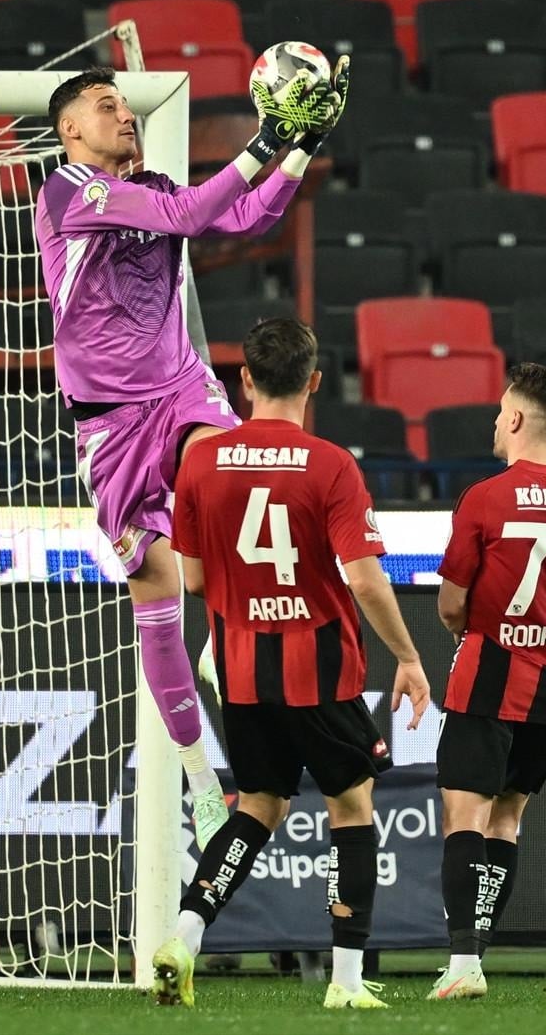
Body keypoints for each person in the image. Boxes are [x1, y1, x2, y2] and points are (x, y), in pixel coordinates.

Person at [35, 61, 349, 850]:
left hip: (179, 390)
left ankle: (227, 641)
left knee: (227, 475)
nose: (124, 115)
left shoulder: (152, 188)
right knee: (156, 587)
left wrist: (300, 148)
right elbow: (193, 210)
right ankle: (202, 783)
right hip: (109, 424)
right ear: (70, 129)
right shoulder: (68, 192)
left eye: (126, 105)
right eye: (106, 106)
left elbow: (242, 218)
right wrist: (265, 140)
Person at [148, 316, 432, 1010]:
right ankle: (345, 980)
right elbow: (365, 579)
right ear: (314, 381)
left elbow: (192, 580)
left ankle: (185, 934)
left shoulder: (201, 463)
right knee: (352, 807)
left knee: (259, 806)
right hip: (321, 669)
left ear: (244, 380)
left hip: (242, 671)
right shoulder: (331, 464)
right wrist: (408, 656)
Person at [428, 363, 546, 1001]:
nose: (495, 420)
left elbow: (451, 604)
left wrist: (469, 631)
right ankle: (475, 956)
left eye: (498, 410)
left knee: (464, 816)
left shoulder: (484, 497)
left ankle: (462, 963)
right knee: (507, 820)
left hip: (488, 674)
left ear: (514, 418)